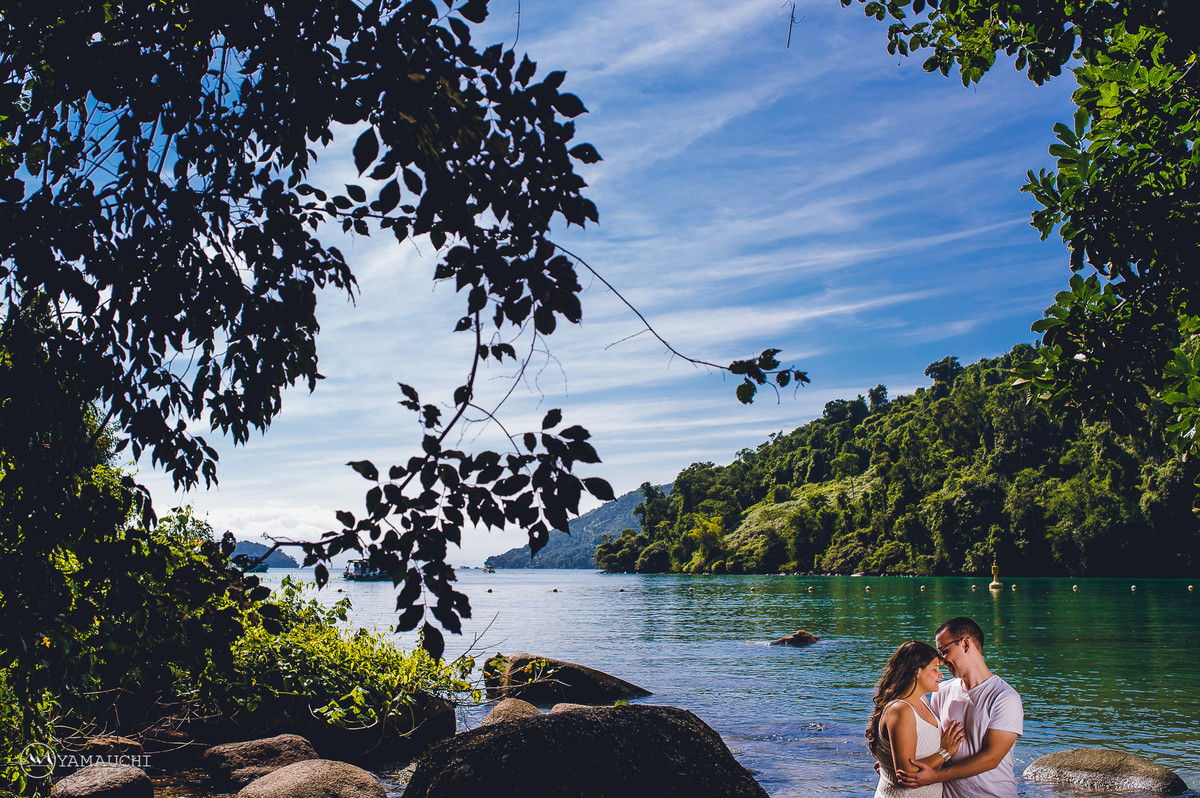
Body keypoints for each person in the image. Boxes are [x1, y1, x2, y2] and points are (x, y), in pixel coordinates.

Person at [896, 617, 1024, 798]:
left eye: (943, 651)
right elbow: (930, 741)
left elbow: (992, 758)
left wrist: (936, 776)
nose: (940, 660)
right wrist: (890, 760)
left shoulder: (1004, 697)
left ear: (965, 644)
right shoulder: (942, 691)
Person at [867, 641, 965, 797]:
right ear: (917, 671)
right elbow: (906, 772)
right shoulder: (901, 710)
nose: (941, 675)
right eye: (935, 669)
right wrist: (945, 752)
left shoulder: (922, 701)